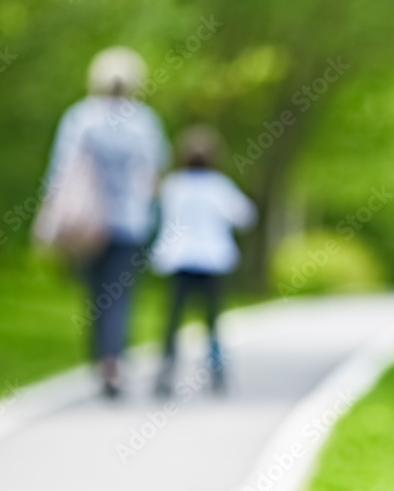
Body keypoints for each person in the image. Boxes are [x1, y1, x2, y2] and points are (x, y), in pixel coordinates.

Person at [44, 46, 170, 397]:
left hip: (85, 223)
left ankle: (102, 360)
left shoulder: (80, 117)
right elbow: (154, 175)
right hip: (130, 222)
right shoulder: (144, 121)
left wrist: (50, 213)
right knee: (120, 294)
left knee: (94, 293)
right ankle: (113, 361)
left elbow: (60, 171)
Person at [151, 125, 257, 396]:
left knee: (173, 320)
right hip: (212, 260)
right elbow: (245, 216)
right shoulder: (220, 186)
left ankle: (165, 370)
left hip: (180, 260)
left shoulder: (173, 185)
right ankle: (217, 372)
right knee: (211, 320)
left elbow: (157, 213)